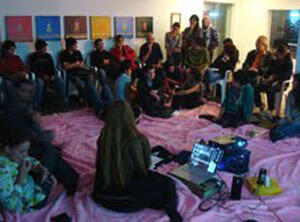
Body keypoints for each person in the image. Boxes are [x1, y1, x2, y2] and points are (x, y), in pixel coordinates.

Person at [92, 101, 182, 222]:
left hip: (102, 197)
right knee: (167, 183)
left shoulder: (103, 137)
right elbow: (144, 168)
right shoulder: (139, 140)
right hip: (130, 200)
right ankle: (172, 212)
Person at [0, 125, 53, 213]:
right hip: (32, 200)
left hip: (29, 184)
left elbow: (27, 159)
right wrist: (22, 175)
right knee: (50, 152)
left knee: (48, 151)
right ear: (7, 149)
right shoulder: (2, 172)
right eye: (22, 151)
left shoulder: (10, 155)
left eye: (26, 150)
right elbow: (11, 206)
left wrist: (38, 166)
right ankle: (70, 182)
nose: (25, 154)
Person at [59, 37, 112, 116]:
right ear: (70, 46)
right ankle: (90, 102)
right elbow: (65, 67)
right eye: (75, 45)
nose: (76, 46)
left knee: (90, 85)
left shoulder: (78, 53)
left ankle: (99, 105)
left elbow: (82, 64)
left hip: (81, 72)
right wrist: (76, 64)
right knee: (81, 84)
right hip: (71, 74)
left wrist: (75, 65)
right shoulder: (63, 54)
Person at [254, 41, 293, 114]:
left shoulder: (288, 63)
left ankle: (271, 109)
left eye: (278, 55)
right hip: (272, 81)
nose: (277, 56)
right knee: (256, 87)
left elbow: (286, 75)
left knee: (270, 89)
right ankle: (260, 105)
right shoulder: (276, 60)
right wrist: (264, 77)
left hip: (281, 82)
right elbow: (270, 70)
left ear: (283, 54)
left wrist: (275, 78)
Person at [29, 39, 66, 108]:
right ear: (38, 49)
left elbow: (52, 68)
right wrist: (43, 76)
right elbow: (33, 70)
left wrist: (53, 75)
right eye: (44, 48)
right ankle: (38, 103)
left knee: (60, 81)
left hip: (50, 75)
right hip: (40, 77)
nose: (45, 49)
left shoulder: (48, 56)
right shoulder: (33, 57)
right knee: (40, 84)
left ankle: (63, 100)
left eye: (45, 48)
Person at [270, 74, 300, 142]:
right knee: (281, 122)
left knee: (295, 125)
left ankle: (281, 134)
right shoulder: (291, 93)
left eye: (294, 81)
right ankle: (280, 132)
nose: (292, 83)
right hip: (292, 117)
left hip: (298, 119)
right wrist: (288, 117)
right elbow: (287, 109)